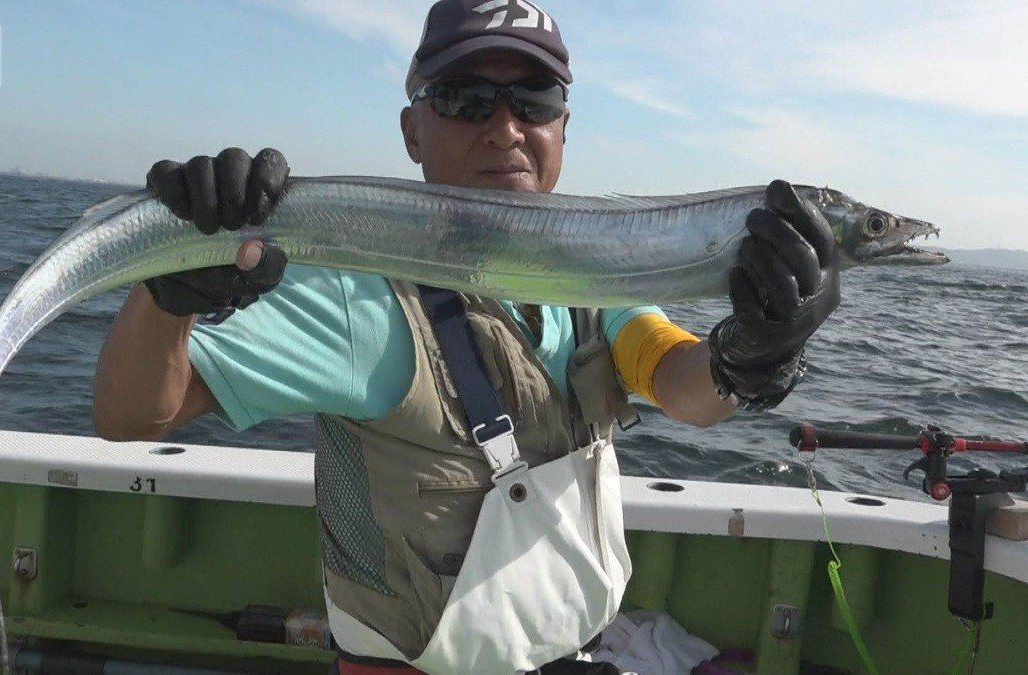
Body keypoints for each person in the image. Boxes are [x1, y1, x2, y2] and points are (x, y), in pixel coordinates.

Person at [93, 1, 840, 672]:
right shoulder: (361, 296)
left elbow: (683, 382)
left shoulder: (592, 279)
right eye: (465, 100)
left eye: (534, 100)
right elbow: (135, 413)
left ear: (563, 129)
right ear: (413, 130)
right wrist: (168, 297)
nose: (506, 127)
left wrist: (753, 352)